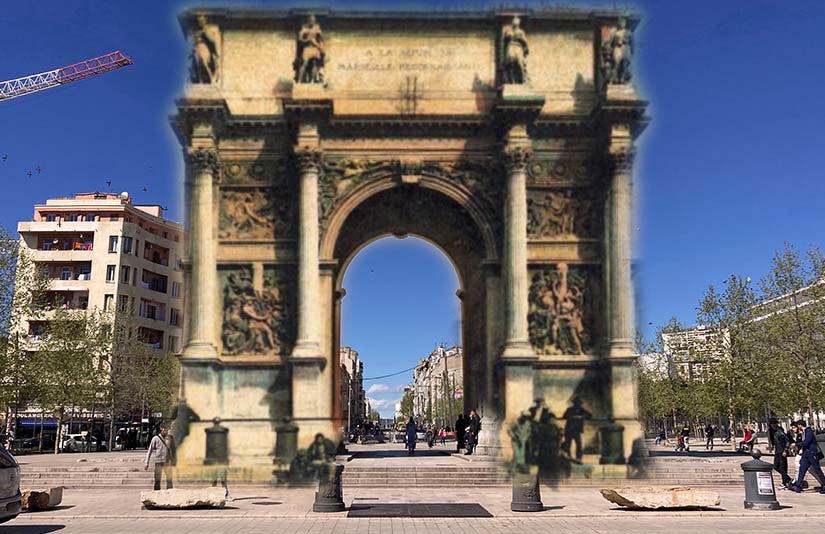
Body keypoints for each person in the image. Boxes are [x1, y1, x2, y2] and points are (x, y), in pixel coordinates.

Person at [789, 420, 825, 494]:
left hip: (812, 453)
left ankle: (824, 484)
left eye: (798, 425)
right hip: (806, 454)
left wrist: (796, 444)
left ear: (800, 425)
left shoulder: (808, 431)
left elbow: (807, 442)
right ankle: (798, 485)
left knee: (817, 470)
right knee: (802, 469)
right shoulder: (804, 432)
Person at [144, 424, 176, 491]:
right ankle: (157, 494)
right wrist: (146, 462)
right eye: (165, 428)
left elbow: (173, 450)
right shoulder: (155, 438)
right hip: (158, 461)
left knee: (169, 479)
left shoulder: (170, 438)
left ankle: (170, 493)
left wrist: (174, 461)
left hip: (167, 461)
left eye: (167, 429)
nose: (166, 430)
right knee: (157, 480)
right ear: (161, 428)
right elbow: (150, 450)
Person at [769, 418, 793, 489]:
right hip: (777, 451)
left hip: (782, 450)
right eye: (771, 424)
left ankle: (785, 482)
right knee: (776, 466)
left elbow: (787, 441)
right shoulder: (772, 431)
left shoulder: (780, 431)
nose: (773, 426)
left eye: (774, 424)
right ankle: (788, 479)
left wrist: (785, 450)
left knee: (783, 467)